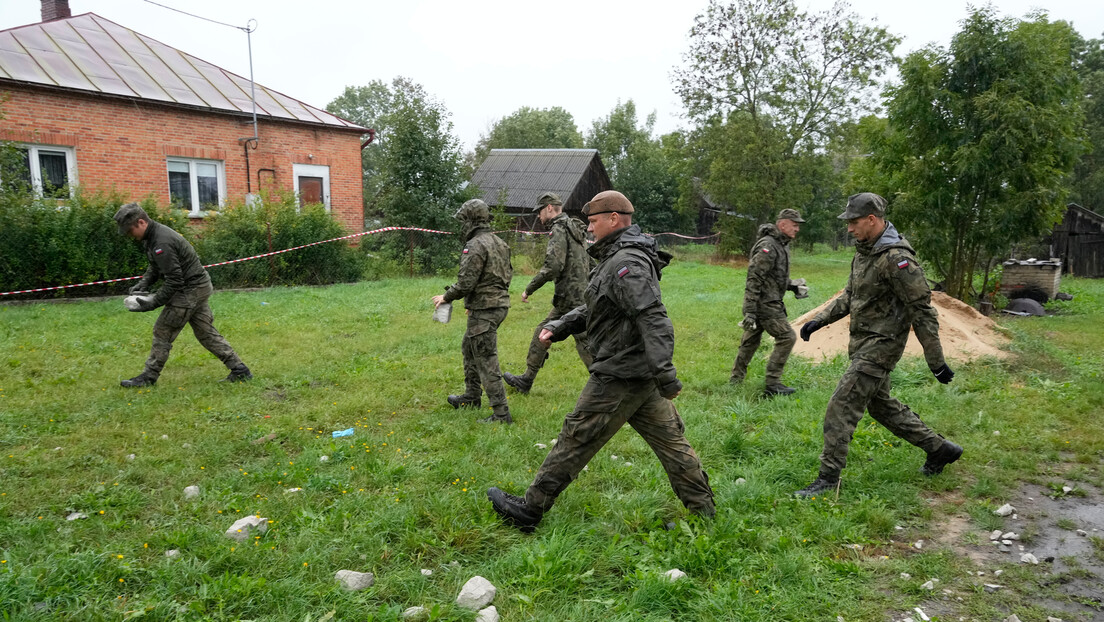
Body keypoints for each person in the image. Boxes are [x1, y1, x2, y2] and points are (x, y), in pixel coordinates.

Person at [487, 190, 715, 530]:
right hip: (638, 374)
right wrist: (562, 324)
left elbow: (653, 318)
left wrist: (666, 374)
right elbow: (601, 304)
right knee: (672, 444)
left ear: (614, 219)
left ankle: (530, 509)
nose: (589, 229)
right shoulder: (618, 257)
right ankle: (704, 513)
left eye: (594, 222)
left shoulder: (626, 264)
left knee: (576, 437)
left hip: (620, 373)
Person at [795, 192, 962, 498]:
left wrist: (936, 361)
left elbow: (922, 310)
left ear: (872, 220)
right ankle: (940, 449)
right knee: (881, 406)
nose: (849, 229)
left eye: (854, 222)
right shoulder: (865, 251)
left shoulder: (897, 259)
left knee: (841, 405)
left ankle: (828, 479)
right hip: (862, 342)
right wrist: (818, 320)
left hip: (882, 346)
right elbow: (851, 295)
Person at [113, 203, 251, 387]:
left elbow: (174, 280)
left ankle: (149, 377)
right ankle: (240, 370)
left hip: (190, 289)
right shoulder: (152, 236)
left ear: (141, 222)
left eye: (130, 231)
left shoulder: (161, 241)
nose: (130, 236)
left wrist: (153, 303)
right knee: (206, 333)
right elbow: (155, 265)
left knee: (163, 331)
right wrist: (144, 282)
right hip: (198, 286)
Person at [432, 198, 514, 424]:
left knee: (486, 358)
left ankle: (501, 414)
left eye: (463, 220)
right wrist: (473, 303)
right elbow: (504, 275)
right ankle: (471, 396)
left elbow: (467, 282)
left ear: (470, 220)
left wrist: (446, 297)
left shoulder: (476, 245)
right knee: (469, 347)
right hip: (496, 306)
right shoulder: (500, 242)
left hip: (486, 309)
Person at [503, 192, 593, 394]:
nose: (538, 216)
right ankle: (526, 380)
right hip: (579, 293)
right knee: (545, 333)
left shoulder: (559, 229)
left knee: (581, 339)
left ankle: (606, 385)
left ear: (550, 208)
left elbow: (553, 265)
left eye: (540, 211)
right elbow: (589, 261)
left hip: (569, 297)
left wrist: (529, 288)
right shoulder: (575, 227)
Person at [731, 208, 809, 396]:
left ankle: (735, 379)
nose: (797, 229)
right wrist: (749, 310)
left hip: (768, 301)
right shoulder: (768, 246)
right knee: (787, 337)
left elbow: (774, 277)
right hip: (765, 304)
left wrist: (792, 286)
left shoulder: (782, 244)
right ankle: (773, 384)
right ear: (782, 224)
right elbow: (754, 277)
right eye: (794, 225)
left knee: (750, 341)